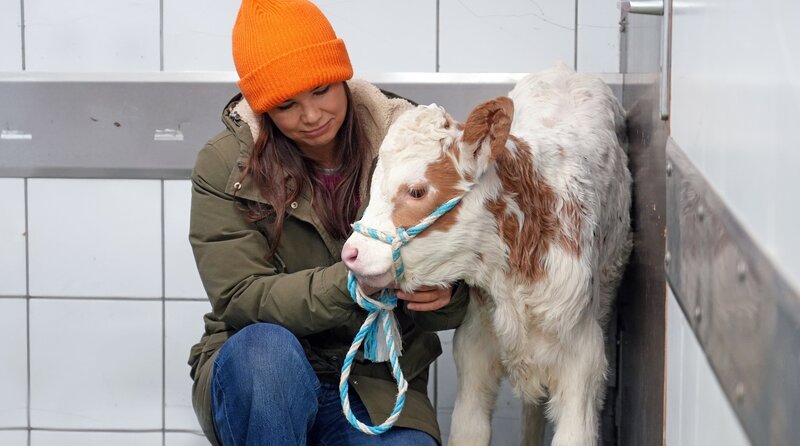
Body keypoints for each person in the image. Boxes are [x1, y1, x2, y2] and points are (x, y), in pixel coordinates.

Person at [187, 1, 470, 445]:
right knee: (268, 353)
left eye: (321, 90)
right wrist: (354, 284)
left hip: (374, 381)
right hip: (266, 376)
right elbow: (240, 296)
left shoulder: (411, 141)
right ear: (263, 109)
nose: (312, 116)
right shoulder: (225, 164)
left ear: (342, 76)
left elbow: (466, 257)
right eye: (286, 105)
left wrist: (446, 294)